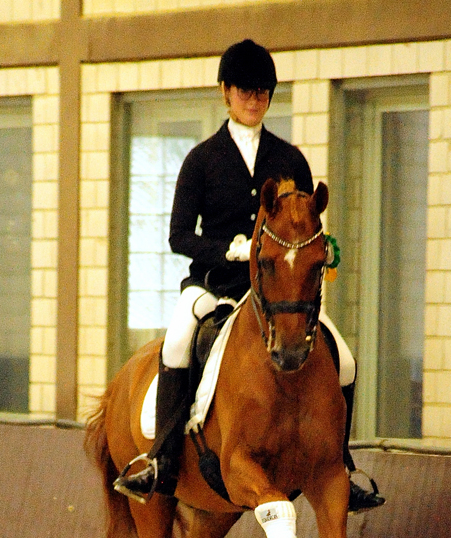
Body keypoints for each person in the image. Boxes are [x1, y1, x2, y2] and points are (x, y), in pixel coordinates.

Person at [116, 39, 384, 513]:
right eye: (245, 90)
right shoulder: (201, 159)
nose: (254, 99)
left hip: (279, 295)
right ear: (225, 92)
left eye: (262, 92)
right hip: (216, 288)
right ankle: (160, 460)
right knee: (178, 342)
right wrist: (228, 252)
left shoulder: (290, 160)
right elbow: (180, 236)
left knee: (343, 359)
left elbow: (303, 223)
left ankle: (341, 463)